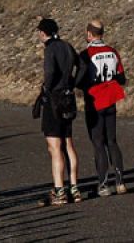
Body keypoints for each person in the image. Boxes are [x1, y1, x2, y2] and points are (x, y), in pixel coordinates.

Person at [79, 20, 128, 197]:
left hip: (94, 102)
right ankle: (121, 182)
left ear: (90, 34)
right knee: (112, 141)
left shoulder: (86, 54)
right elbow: (122, 78)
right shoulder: (113, 52)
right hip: (111, 100)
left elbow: (80, 79)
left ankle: (103, 184)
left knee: (98, 143)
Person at [36, 17, 82, 205]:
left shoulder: (50, 49)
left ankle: (59, 190)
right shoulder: (67, 46)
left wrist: (46, 88)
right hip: (68, 97)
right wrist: (73, 82)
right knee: (68, 144)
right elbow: (83, 66)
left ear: (43, 33)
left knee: (54, 147)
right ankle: (74, 187)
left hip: (54, 100)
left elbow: (50, 72)